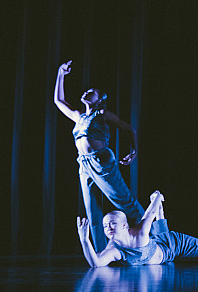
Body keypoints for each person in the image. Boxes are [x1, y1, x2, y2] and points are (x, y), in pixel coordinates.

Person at [54, 60, 144, 250]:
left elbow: (130, 129)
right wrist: (60, 74)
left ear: (99, 100)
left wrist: (134, 150)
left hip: (101, 162)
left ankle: (151, 236)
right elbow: (59, 101)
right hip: (84, 165)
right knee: (92, 210)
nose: (86, 92)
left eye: (91, 91)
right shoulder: (78, 116)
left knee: (124, 200)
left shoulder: (102, 114)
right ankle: (102, 252)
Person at [77, 190, 198, 267]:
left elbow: (149, 214)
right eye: (105, 225)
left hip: (173, 244)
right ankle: (161, 212)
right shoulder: (114, 249)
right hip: (156, 241)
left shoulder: (139, 233)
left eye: (112, 223)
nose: (108, 228)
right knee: (157, 235)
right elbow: (96, 263)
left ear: (124, 225)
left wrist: (157, 198)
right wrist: (84, 240)